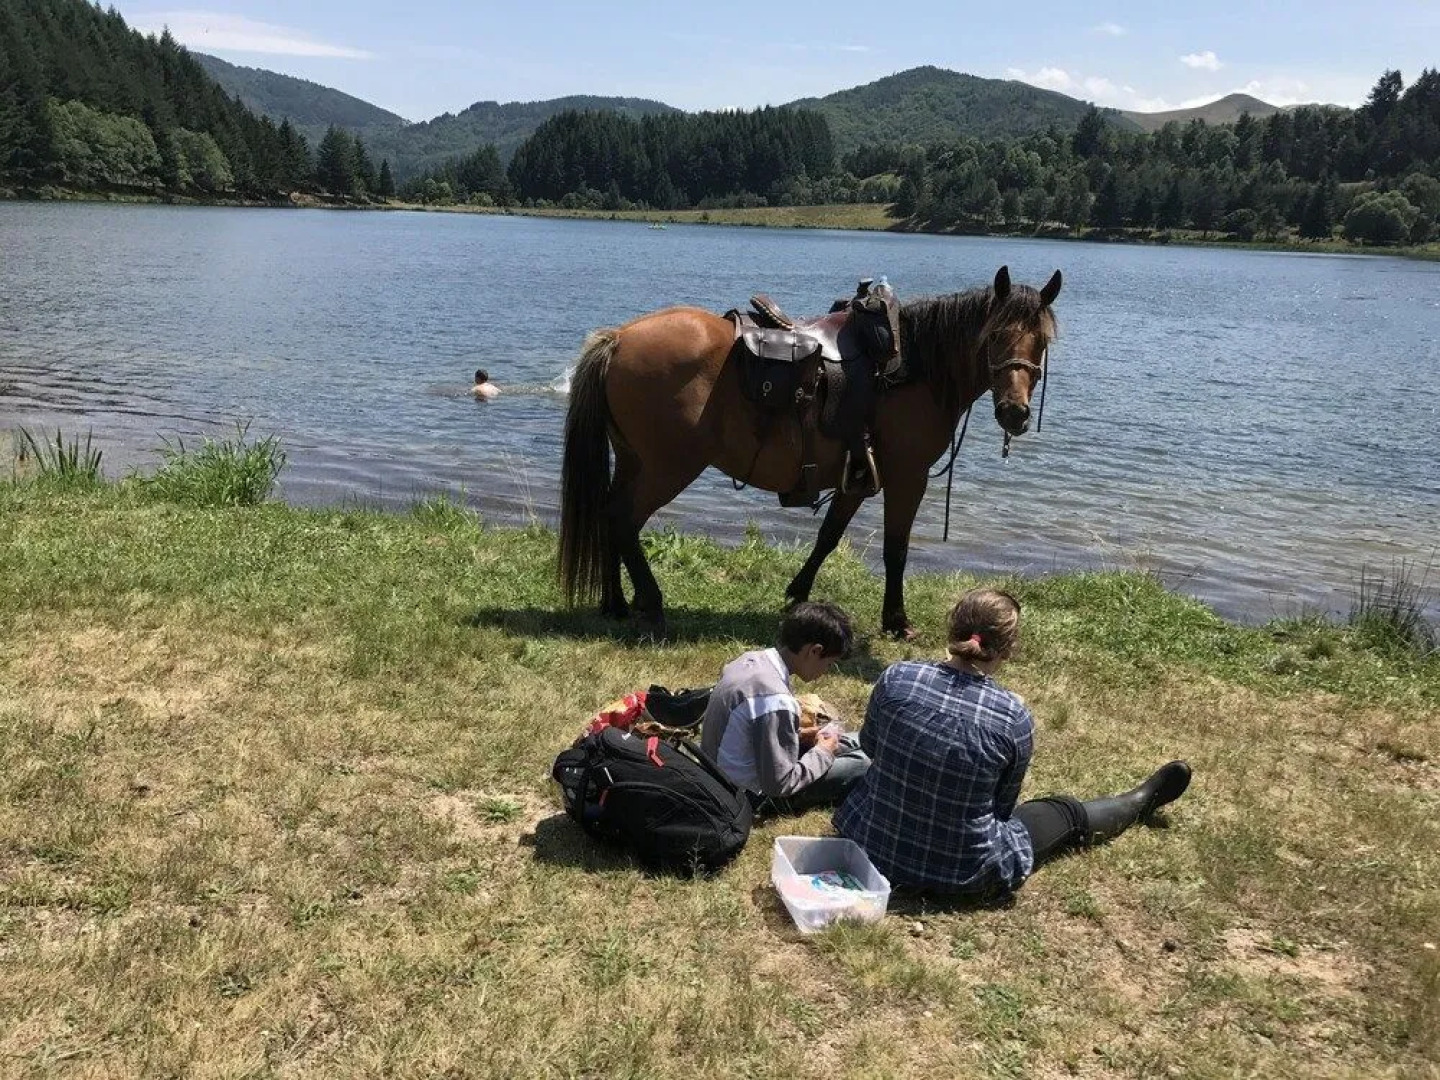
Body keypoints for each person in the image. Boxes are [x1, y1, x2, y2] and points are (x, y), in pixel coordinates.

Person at [834, 588, 1191, 897]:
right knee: (1061, 812)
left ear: (952, 629)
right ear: (1008, 649)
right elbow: (1002, 809)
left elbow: (871, 746)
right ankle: (1140, 800)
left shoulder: (897, 677)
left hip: (868, 843)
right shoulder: (1012, 716)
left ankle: (1138, 800)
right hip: (962, 871)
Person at [700, 601, 871, 815]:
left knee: (852, 740)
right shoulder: (775, 700)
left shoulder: (751, 661)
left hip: (716, 773)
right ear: (815, 651)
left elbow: (753, 732)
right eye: (828, 664)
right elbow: (780, 784)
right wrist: (823, 753)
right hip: (749, 795)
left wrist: (798, 736)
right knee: (863, 763)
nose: (825, 672)